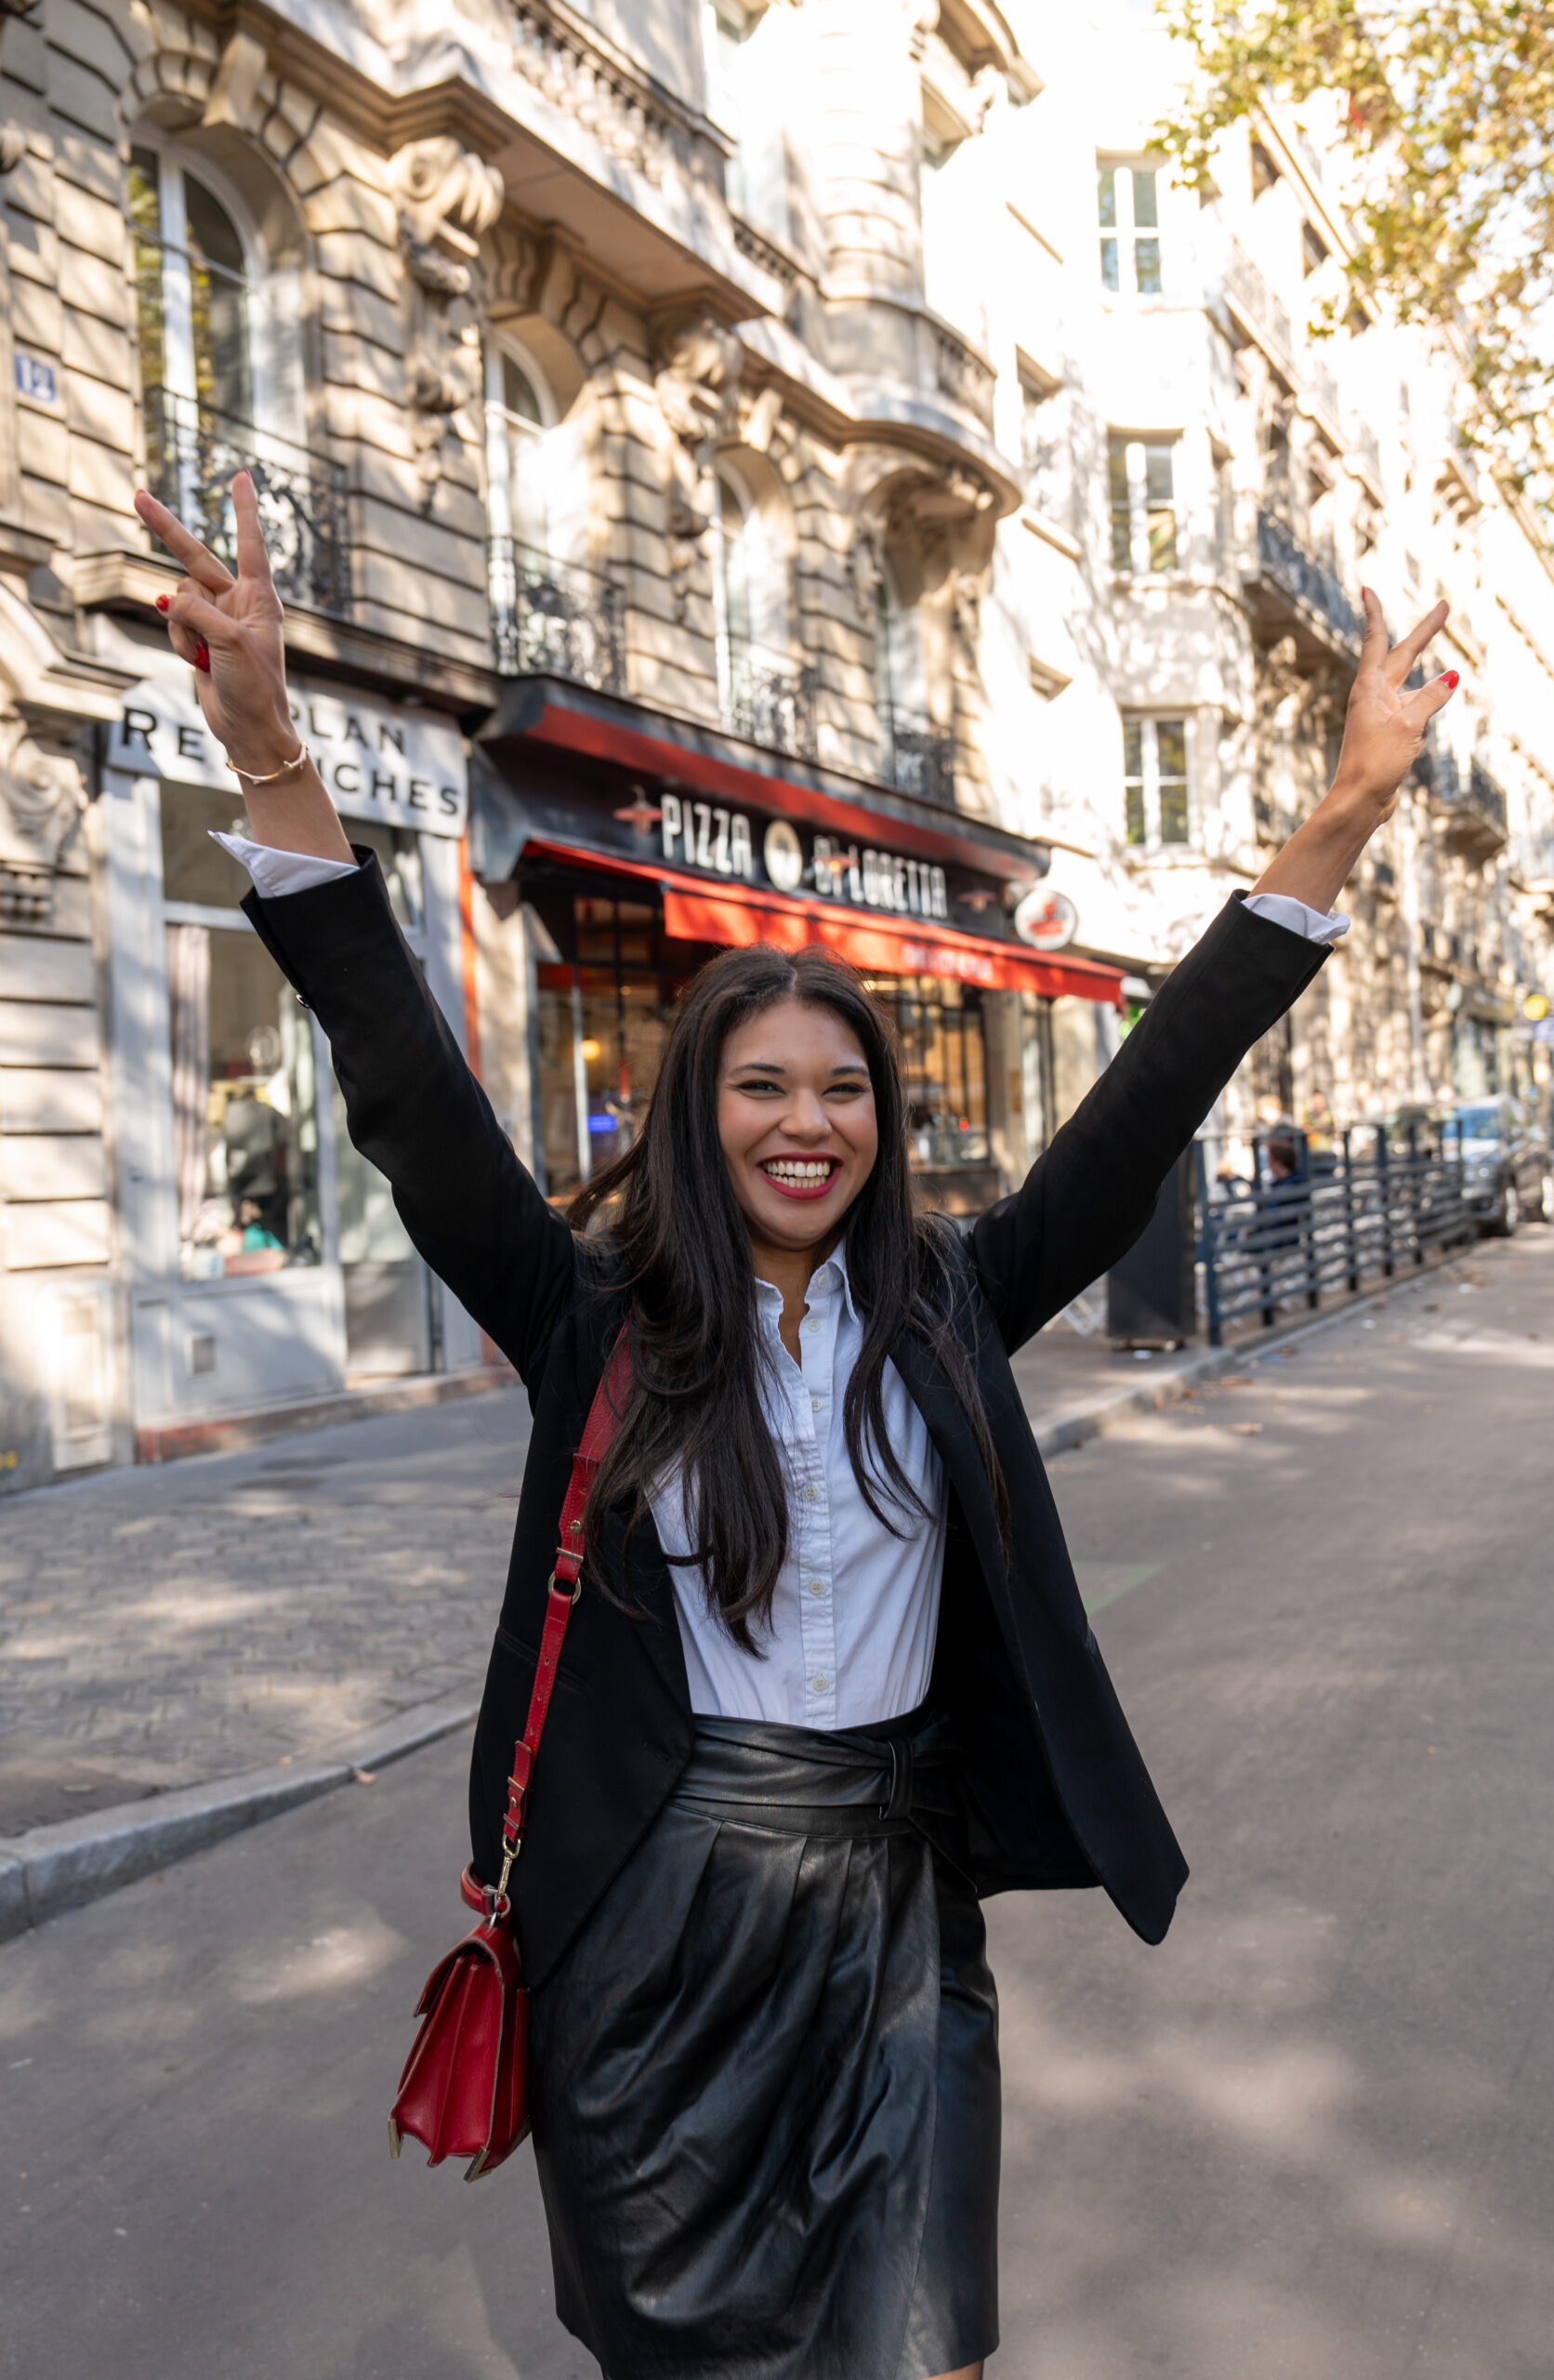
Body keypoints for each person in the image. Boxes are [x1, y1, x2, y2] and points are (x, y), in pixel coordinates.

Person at [135, 473, 1457, 2380]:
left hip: (895, 1914)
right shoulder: (588, 1317)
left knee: (930, 2343)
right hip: (654, 1928)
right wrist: (268, 756)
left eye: (840, 1088)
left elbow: (1155, 1092)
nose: (803, 1121)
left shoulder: (952, 1306)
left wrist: (1339, 806)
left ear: (879, 1122)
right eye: (758, 1083)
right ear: (702, 1109)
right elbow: (411, 1090)